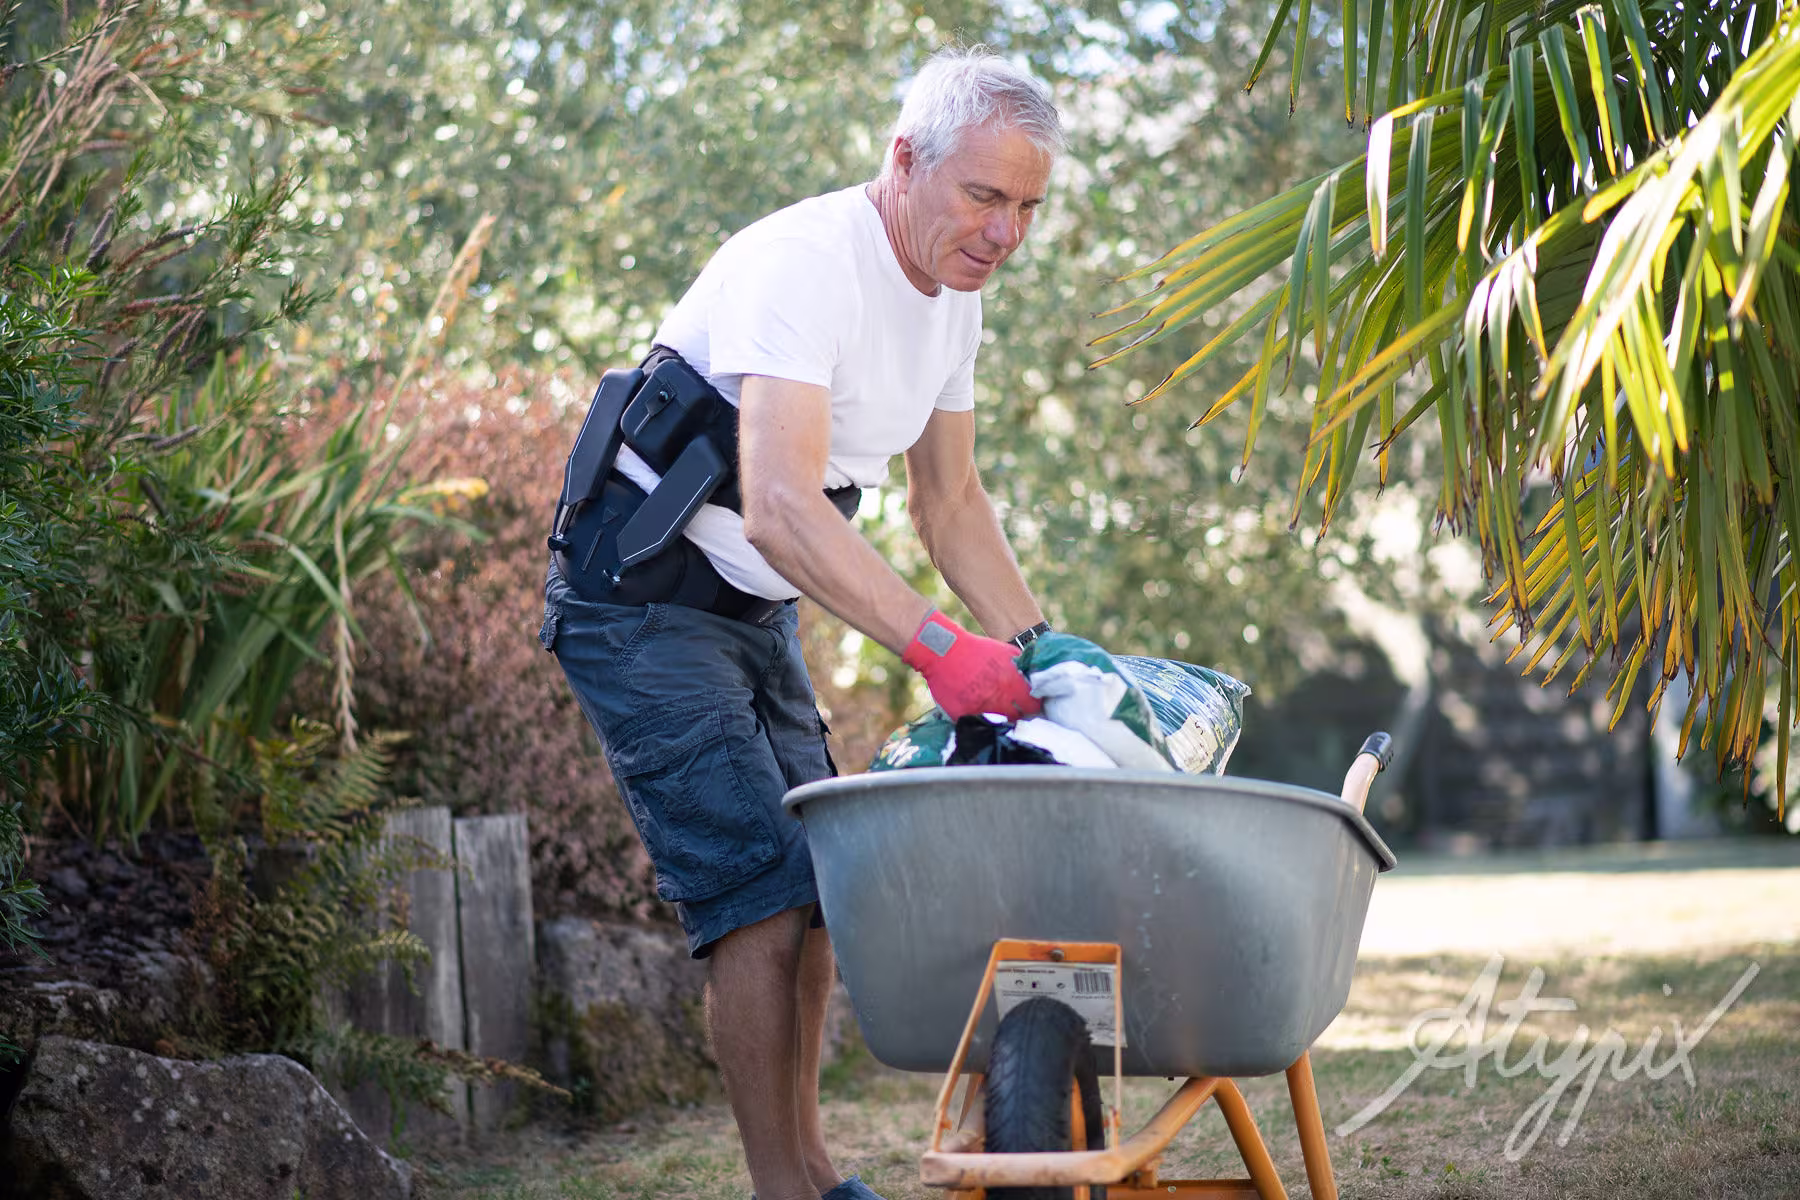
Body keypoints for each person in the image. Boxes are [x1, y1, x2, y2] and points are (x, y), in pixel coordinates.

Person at [539, 46, 1064, 1200]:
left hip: (753, 609)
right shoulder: (806, 261)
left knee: (824, 891)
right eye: (983, 197)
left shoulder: (954, 305)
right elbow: (778, 502)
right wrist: (937, 648)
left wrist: (1045, 651)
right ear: (905, 162)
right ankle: (789, 1189)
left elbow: (952, 504)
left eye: (1027, 206)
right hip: (639, 597)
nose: (1004, 232)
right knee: (759, 895)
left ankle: (814, 1172)